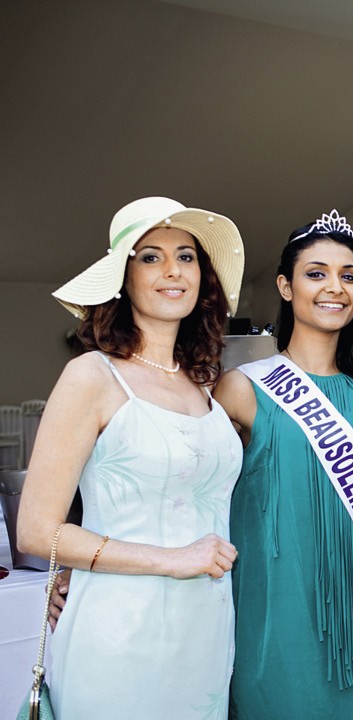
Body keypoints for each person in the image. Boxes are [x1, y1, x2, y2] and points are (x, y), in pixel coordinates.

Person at [17, 196, 246, 720]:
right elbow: (35, 531)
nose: (173, 270)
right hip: (119, 636)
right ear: (122, 278)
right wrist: (171, 559)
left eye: (186, 256)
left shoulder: (205, 384)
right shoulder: (92, 376)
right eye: (150, 257)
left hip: (207, 633)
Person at [213, 211, 353, 719]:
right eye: (316, 273)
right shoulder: (242, 388)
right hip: (277, 605)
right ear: (285, 286)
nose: (335, 287)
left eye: (348, 276)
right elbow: (186, 487)